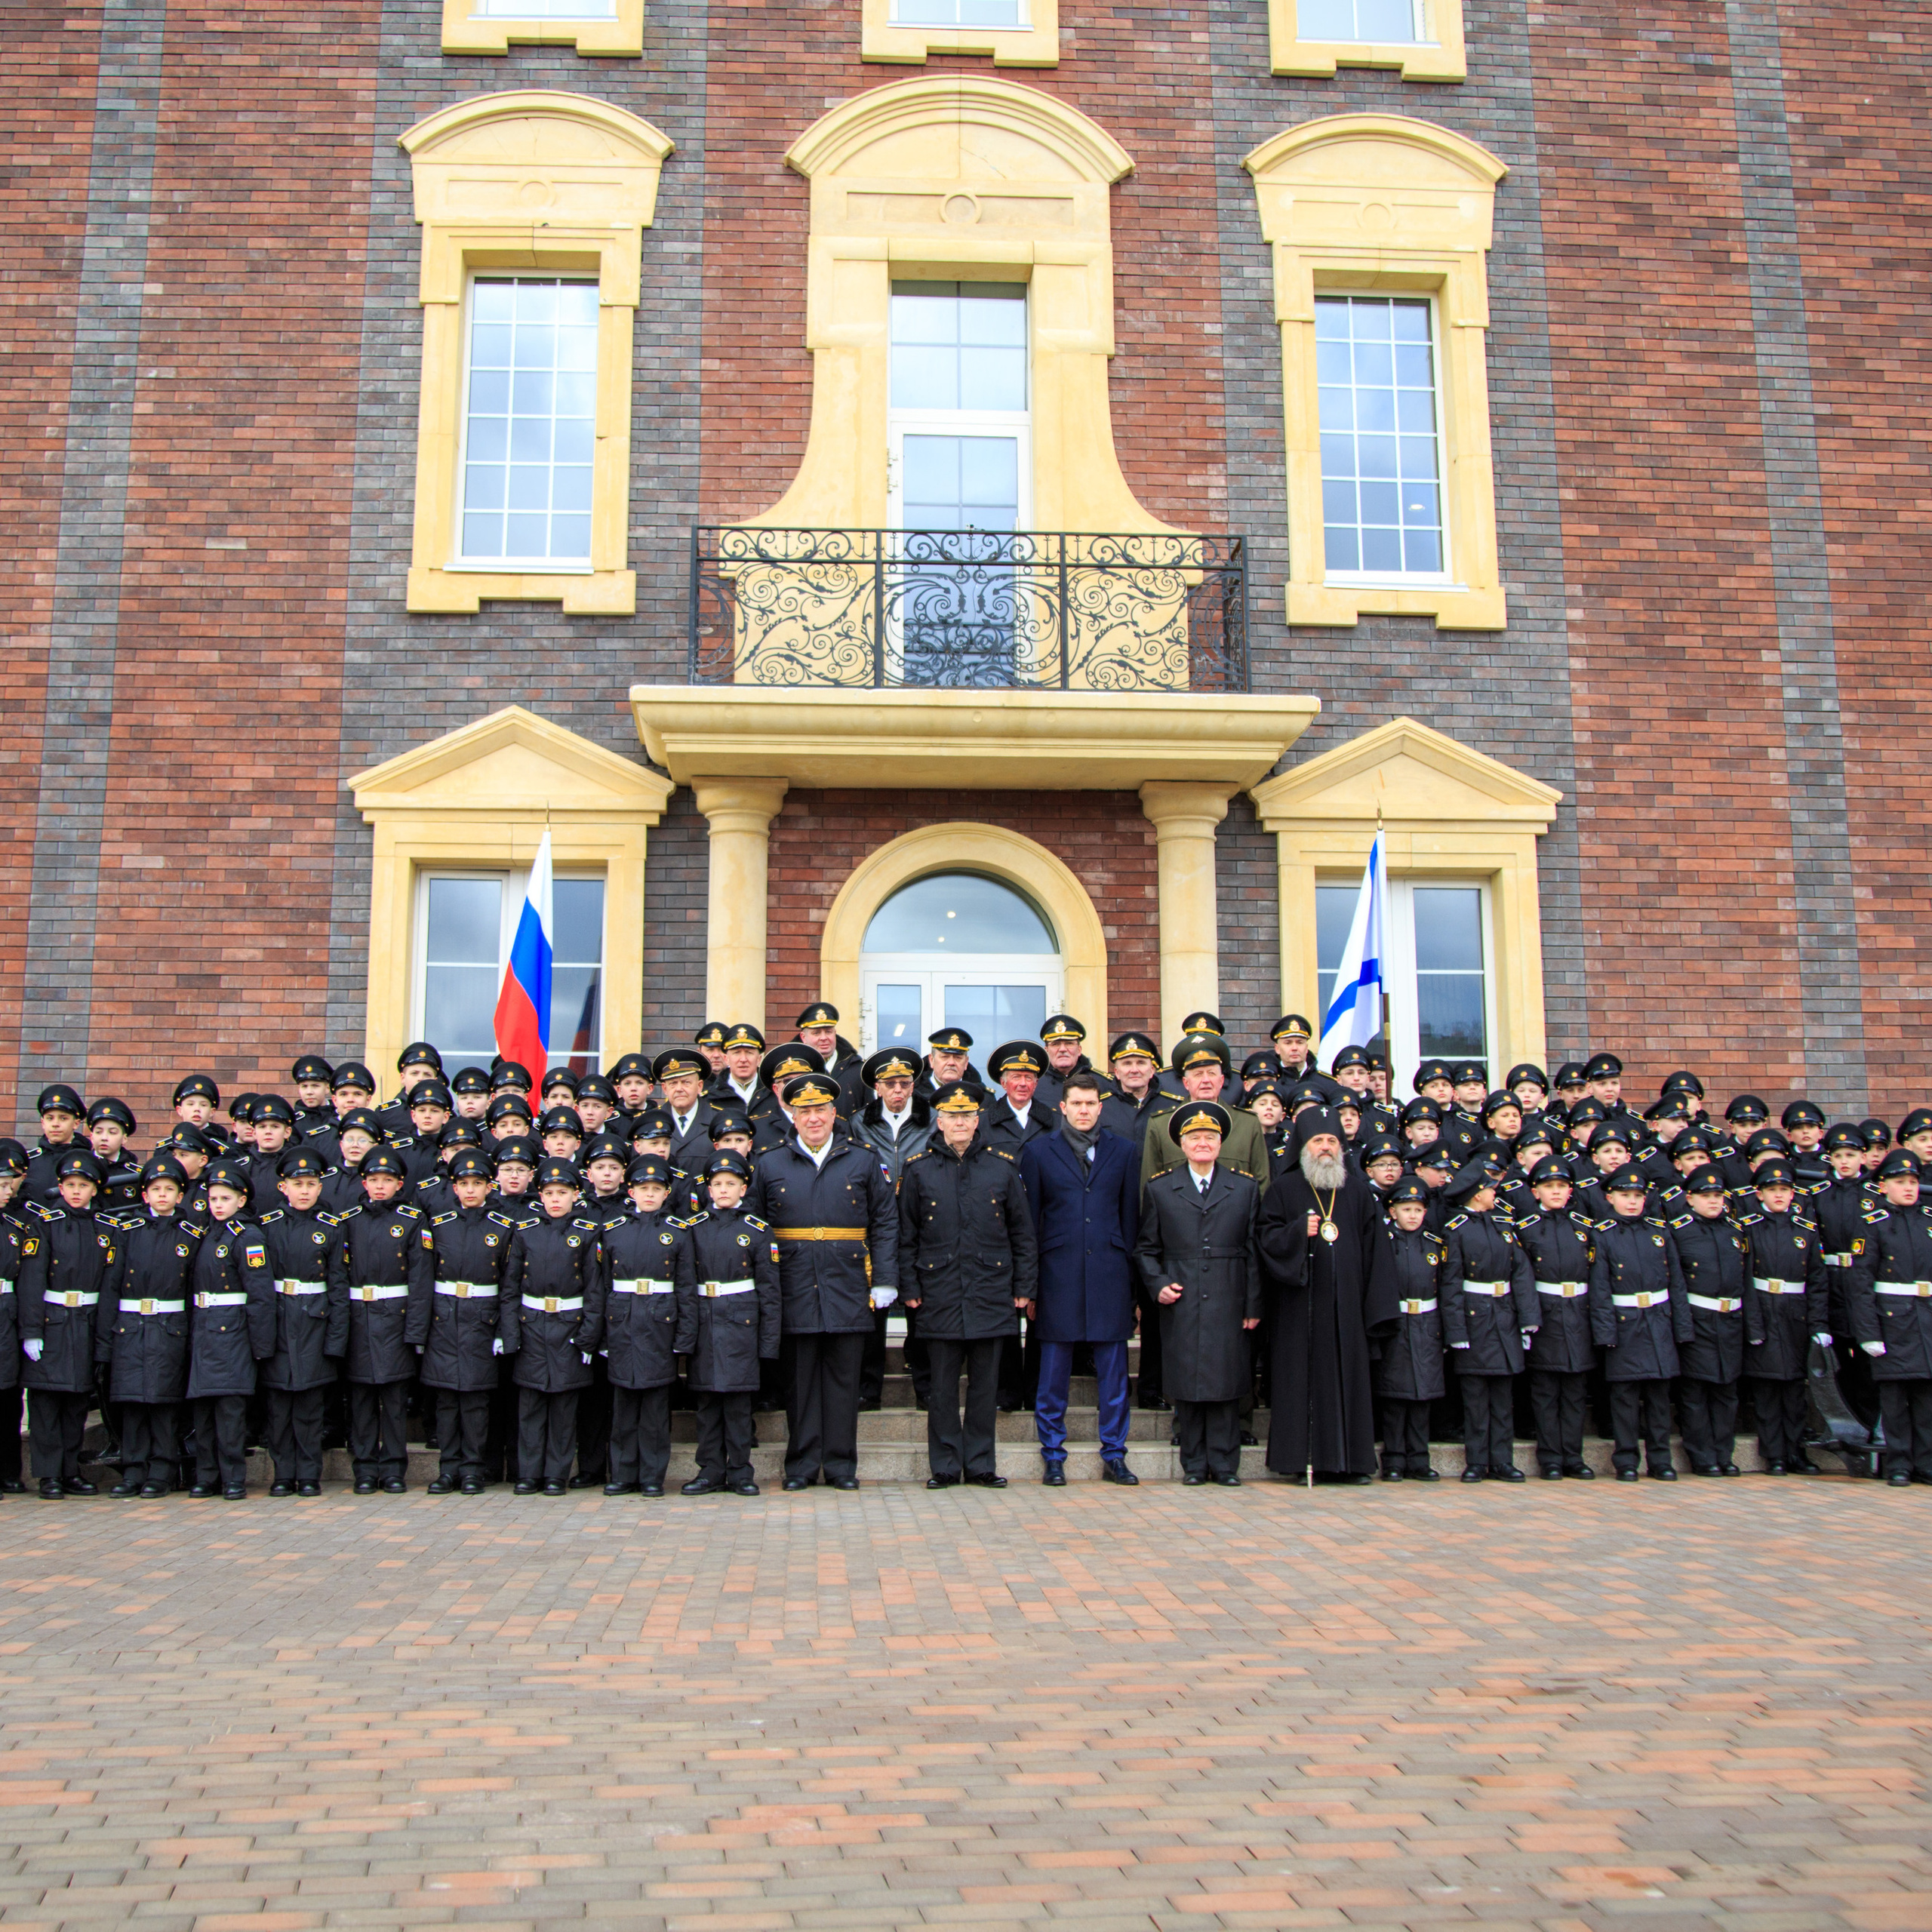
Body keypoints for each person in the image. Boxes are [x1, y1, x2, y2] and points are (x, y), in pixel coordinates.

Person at [749, 1072, 898, 1491]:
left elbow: (885, 1223)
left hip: (848, 1283)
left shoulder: (864, 1159)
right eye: (805, 1111)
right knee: (799, 1384)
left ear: (835, 1114)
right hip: (792, 1283)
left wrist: (885, 1279)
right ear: (793, 1117)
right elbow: (755, 1230)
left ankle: (840, 1466)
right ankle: (800, 1466)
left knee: (843, 1383)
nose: (813, 1118)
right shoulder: (769, 1163)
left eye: (820, 1110)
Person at [898, 1081, 1038, 1490]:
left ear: (978, 1121)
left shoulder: (1002, 1167)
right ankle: (944, 1465)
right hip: (937, 1292)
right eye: (951, 1116)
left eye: (966, 1116)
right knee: (941, 1389)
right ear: (939, 1122)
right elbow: (906, 1237)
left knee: (985, 1387)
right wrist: (909, 1287)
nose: (959, 1122)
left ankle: (979, 1465)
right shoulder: (918, 1169)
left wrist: (1024, 1285)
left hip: (991, 1290)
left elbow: (1022, 1235)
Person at [1257, 1106, 1398, 1482]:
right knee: (1300, 1383)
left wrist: (1375, 1308)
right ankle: (1298, 1461)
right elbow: (1265, 1240)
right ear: (1303, 1146)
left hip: (1348, 1308)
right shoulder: (1283, 1189)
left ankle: (1352, 1463)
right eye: (1318, 1140)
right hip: (1298, 1308)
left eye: (1332, 1141)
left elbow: (1377, 1254)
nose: (1325, 1147)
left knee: (1350, 1382)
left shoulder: (1358, 1192)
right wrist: (1295, 1232)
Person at [1020, 1072, 1143, 1484]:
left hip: (1110, 1274)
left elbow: (1130, 1220)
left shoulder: (1124, 1151)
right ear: (1063, 1107)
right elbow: (1031, 1224)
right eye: (1077, 1103)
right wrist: (1031, 1286)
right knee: (1053, 1374)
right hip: (1058, 1275)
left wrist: (1133, 1288)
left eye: (1091, 1104)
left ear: (1100, 1107)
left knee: (1114, 1375)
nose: (1084, 1110)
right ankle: (1053, 1453)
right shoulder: (1038, 1152)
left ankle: (1115, 1454)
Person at [1134, 1101, 1262, 1485]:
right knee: (1187, 1382)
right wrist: (1158, 1284)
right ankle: (1193, 1465)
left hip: (1229, 1295)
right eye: (1194, 1137)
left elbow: (1254, 1251)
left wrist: (1253, 1303)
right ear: (1182, 1144)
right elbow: (1146, 1249)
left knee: (1226, 1381)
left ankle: (1224, 1465)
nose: (1202, 1143)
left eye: (1210, 1137)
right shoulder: (1160, 1188)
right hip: (1183, 1297)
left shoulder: (1245, 1187)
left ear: (1221, 1143)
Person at [500, 1157, 608, 1497]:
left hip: (569, 1329)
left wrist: (588, 1337)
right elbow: (510, 1288)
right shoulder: (525, 1232)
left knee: (564, 1408)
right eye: (549, 1193)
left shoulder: (588, 1233)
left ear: (576, 1194)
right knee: (530, 1406)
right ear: (540, 1196)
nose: (556, 1199)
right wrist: (511, 1334)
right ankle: (529, 1473)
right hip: (532, 1326)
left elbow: (595, 1290)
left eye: (562, 1192)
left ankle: (556, 1475)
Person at [17, 1149, 122, 1497]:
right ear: (60, 1188)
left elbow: (109, 1288)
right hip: (52, 1322)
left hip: (86, 1323)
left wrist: (104, 1338)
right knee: (46, 1403)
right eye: (70, 1185)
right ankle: (49, 1475)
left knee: (77, 1402)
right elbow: (32, 1282)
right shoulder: (43, 1225)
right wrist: (31, 1331)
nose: (77, 1191)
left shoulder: (107, 1229)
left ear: (95, 1189)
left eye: (84, 1185)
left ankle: (69, 1470)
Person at [679, 1150, 780, 1497]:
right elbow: (684, 1286)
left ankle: (740, 1471)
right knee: (707, 1402)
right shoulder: (691, 1229)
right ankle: (709, 1470)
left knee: (738, 1404)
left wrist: (768, 1343)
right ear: (708, 1190)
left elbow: (770, 1292)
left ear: (743, 1189)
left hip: (741, 1325)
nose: (724, 1190)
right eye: (718, 1184)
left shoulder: (757, 1230)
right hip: (705, 1322)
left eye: (731, 1184)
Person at [98, 1151, 198, 1497]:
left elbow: (192, 1291)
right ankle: (133, 1470)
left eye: (169, 1189)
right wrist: (105, 1339)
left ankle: (161, 1472)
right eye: (156, 1189)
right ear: (144, 1194)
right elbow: (111, 1287)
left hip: (170, 1329)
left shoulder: (190, 1235)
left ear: (180, 1195)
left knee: (164, 1404)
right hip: (130, 1328)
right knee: (133, 1404)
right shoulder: (127, 1231)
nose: (162, 1195)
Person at [419, 1146, 514, 1496]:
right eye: (463, 1184)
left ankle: (474, 1468)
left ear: (490, 1186)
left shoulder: (503, 1228)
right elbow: (424, 1279)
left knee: (475, 1401)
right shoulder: (438, 1226)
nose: (470, 1190)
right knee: (446, 1400)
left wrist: (503, 1330)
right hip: (444, 1319)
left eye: (477, 1183)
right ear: (454, 1187)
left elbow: (509, 1285)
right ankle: (448, 1469)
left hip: (482, 1321)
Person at [1439, 1152, 1538, 1482]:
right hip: (1475, 1320)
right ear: (1476, 1194)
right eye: (1489, 1188)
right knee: (1476, 1399)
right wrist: (1456, 1331)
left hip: (1504, 1318)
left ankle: (1502, 1461)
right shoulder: (1457, 1230)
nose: (1495, 1192)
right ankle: (1477, 1461)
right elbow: (1451, 1284)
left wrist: (1527, 1319)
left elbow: (1521, 1274)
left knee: (1502, 1398)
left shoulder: (1504, 1226)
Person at [256, 1145, 349, 1497]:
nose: (305, 1191)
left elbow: (338, 1286)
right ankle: (283, 1474)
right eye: (298, 1184)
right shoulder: (266, 1227)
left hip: (314, 1325)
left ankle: (309, 1474)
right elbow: (259, 1288)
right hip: (279, 1323)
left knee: (311, 1408)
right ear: (284, 1187)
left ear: (321, 1187)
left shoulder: (332, 1228)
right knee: (279, 1408)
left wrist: (336, 1340)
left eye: (311, 1184)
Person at [1589, 1168, 1692, 1480]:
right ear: (1610, 1198)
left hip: (1659, 1321)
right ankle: (1626, 1460)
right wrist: (1605, 1333)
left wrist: (1682, 1328)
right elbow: (1600, 1288)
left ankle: (1660, 1460)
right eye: (1625, 1196)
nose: (1632, 1202)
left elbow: (1677, 1284)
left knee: (1659, 1397)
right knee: (1625, 1397)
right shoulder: (1602, 1234)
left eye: (1638, 1196)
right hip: (1625, 1324)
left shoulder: (1660, 1232)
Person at [602, 1154, 694, 1498]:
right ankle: (623, 1474)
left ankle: (653, 1476)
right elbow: (601, 1285)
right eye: (643, 1189)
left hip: (659, 1324)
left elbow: (686, 1287)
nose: (650, 1195)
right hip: (622, 1322)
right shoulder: (613, 1230)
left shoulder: (679, 1233)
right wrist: (601, 1334)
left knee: (655, 1408)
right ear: (631, 1191)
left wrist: (685, 1336)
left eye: (657, 1189)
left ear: (667, 1193)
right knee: (624, 1405)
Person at [849, 1048, 935, 1411]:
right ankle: (868, 1389)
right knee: (874, 1310)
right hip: (875, 1225)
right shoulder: (859, 1123)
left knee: (922, 1309)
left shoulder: (932, 1119)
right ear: (877, 1087)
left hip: (921, 1224)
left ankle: (926, 1389)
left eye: (904, 1083)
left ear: (914, 1085)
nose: (897, 1090)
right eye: (890, 1084)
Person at [183, 1156, 273, 1500]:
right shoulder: (207, 1233)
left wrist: (261, 1346)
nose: (218, 1205)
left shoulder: (248, 1237)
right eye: (213, 1199)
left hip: (233, 1333)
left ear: (242, 1200)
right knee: (203, 1410)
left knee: (230, 1411)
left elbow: (260, 1295)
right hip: (204, 1330)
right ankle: (207, 1475)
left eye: (225, 1198)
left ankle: (233, 1477)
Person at [1846, 1149, 1932, 1485]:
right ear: (1883, 1186)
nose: (1909, 1188)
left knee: (1926, 1400)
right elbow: (1861, 1285)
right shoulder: (1873, 1225)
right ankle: (1898, 1464)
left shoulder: (1929, 1220)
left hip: (1926, 1321)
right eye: (1900, 1182)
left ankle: (1925, 1463)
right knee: (1895, 1400)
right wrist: (1868, 1333)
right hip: (1892, 1322)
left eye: (1913, 1181)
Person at [1738, 1156, 1829, 1473]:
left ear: (1793, 1194)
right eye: (1772, 1189)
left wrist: (1818, 1325)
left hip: (1795, 1316)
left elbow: (1817, 1282)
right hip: (1764, 1311)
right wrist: (1753, 1325)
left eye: (1784, 1190)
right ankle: (1774, 1454)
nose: (1779, 1195)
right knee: (1767, 1391)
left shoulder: (1806, 1230)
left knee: (1794, 1390)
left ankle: (1795, 1453)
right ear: (1759, 1194)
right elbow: (1744, 1280)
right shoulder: (1748, 1228)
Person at [1514, 1155, 1597, 1479]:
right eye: (1550, 1186)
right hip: (1546, 1316)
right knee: (1546, 1393)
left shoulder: (1584, 1227)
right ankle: (1550, 1457)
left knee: (1575, 1392)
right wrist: (1529, 1320)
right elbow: (1522, 1279)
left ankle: (1573, 1457)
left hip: (1579, 1315)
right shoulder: (1526, 1229)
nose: (1557, 1192)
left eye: (1562, 1186)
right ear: (1536, 1192)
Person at [1670, 1164, 1752, 1475]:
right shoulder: (1679, 1232)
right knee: (1696, 1393)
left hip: (1730, 1319)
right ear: (1690, 1199)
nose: (1714, 1201)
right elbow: (1676, 1284)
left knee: (1726, 1393)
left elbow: (1744, 1279)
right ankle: (1702, 1456)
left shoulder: (1735, 1230)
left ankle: (1723, 1454)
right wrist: (1683, 1326)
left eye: (1718, 1195)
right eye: (1706, 1196)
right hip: (1697, 1318)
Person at [1374, 1176, 1445, 1481]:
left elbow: (1445, 1287)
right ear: (1392, 1212)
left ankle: (1419, 1459)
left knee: (1422, 1397)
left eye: (1418, 1209)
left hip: (1427, 1325)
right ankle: (1394, 1459)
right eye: (1406, 1209)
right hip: (1396, 1326)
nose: (1413, 1215)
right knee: (1395, 1397)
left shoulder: (1434, 1244)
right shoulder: (1384, 1243)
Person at [1141, 1035, 1268, 1186]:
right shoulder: (1162, 1126)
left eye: (1211, 1073)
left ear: (1221, 1081)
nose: (1206, 1080)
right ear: (1186, 1083)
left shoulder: (1248, 1124)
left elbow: (1262, 1184)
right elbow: (1149, 1187)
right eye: (1198, 1074)